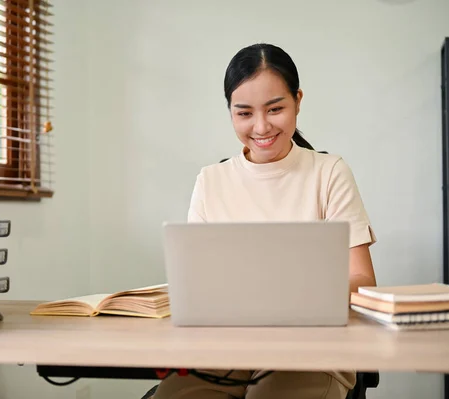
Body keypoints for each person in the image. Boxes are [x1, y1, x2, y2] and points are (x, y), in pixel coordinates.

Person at [153, 43, 377, 399]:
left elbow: (364, 281)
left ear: (298, 101)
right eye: (244, 114)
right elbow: (196, 283)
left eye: (275, 109)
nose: (261, 126)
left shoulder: (329, 172)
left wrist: (294, 298)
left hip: (314, 349)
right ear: (230, 112)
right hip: (223, 349)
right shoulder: (211, 181)